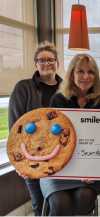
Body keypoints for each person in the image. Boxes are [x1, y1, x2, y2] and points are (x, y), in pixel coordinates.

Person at [39, 53, 100, 216]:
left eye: (91, 72)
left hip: (90, 168)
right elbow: (48, 138)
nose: (86, 76)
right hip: (59, 168)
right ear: (72, 74)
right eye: (80, 71)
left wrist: (93, 169)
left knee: (84, 198)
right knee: (60, 204)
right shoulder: (57, 99)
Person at [8, 41, 62, 216]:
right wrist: (19, 162)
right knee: (39, 205)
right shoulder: (23, 88)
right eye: (42, 60)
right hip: (32, 157)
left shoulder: (66, 90)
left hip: (60, 156)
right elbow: (15, 127)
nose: (47, 63)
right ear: (36, 64)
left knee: (58, 205)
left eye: (51, 60)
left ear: (57, 63)